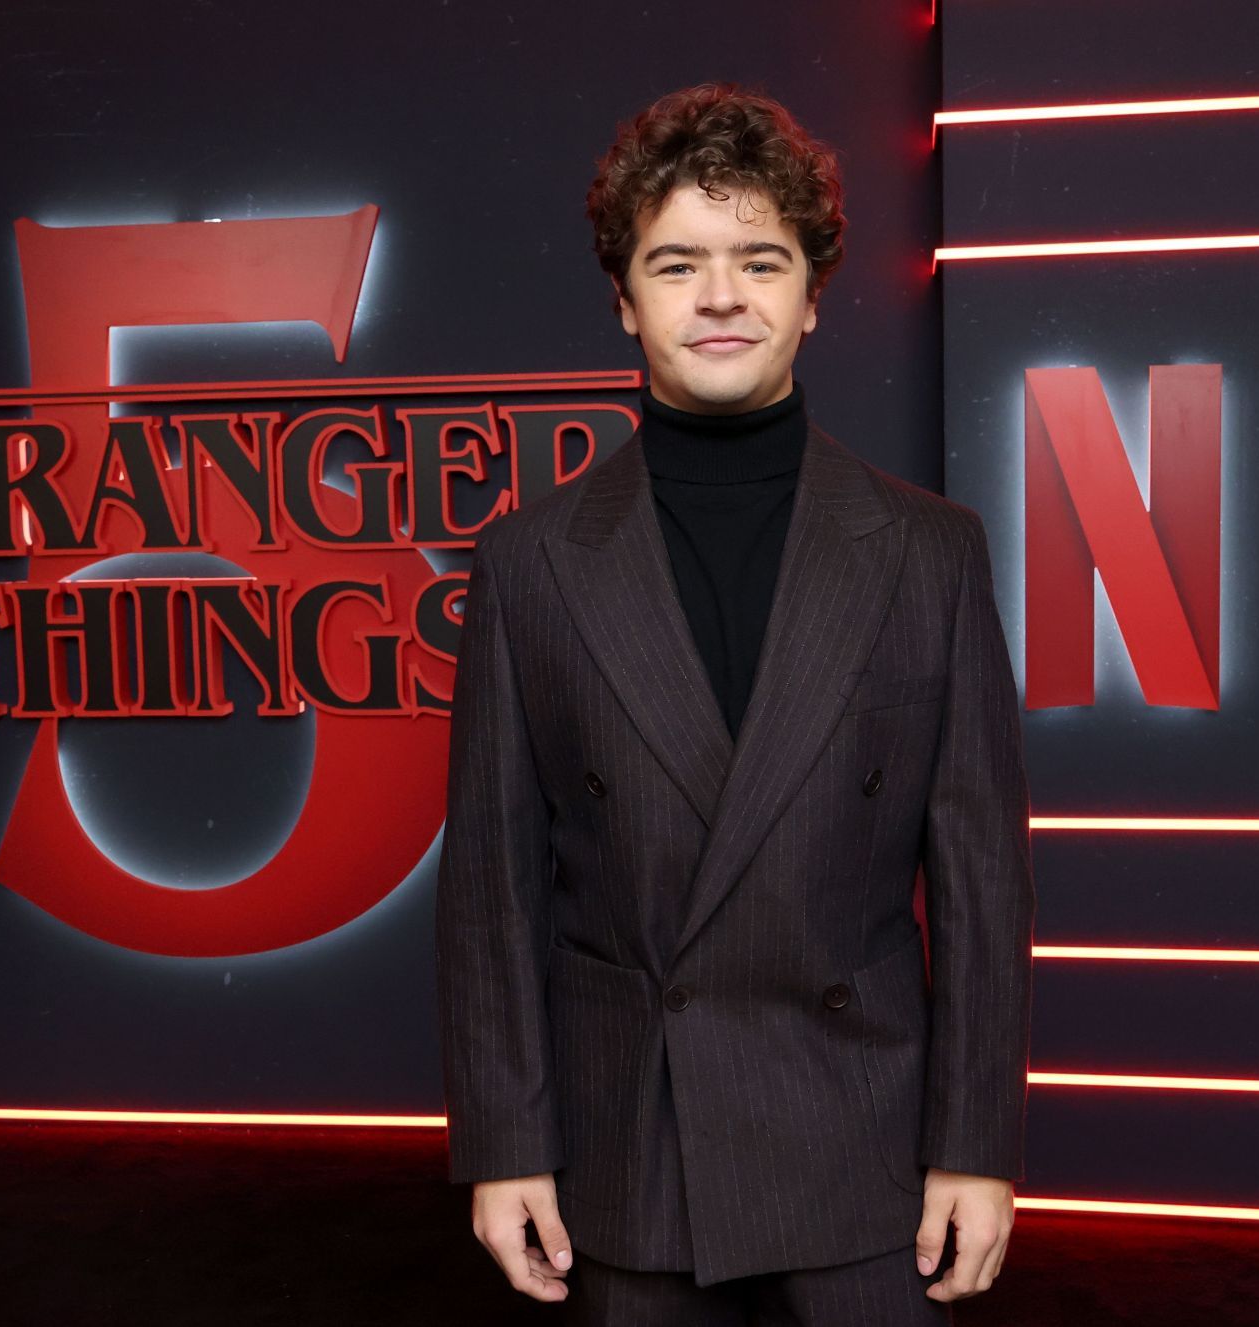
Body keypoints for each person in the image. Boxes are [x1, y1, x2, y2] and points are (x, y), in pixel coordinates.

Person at [434, 82, 1035, 1325]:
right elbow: (494, 888)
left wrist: (976, 1143)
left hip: (865, 1137)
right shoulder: (530, 564)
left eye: (761, 260)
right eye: (677, 264)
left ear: (812, 296)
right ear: (625, 297)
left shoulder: (930, 551)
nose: (721, 296)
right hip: (632, 1144)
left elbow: (982, 876)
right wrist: (505, 1143)